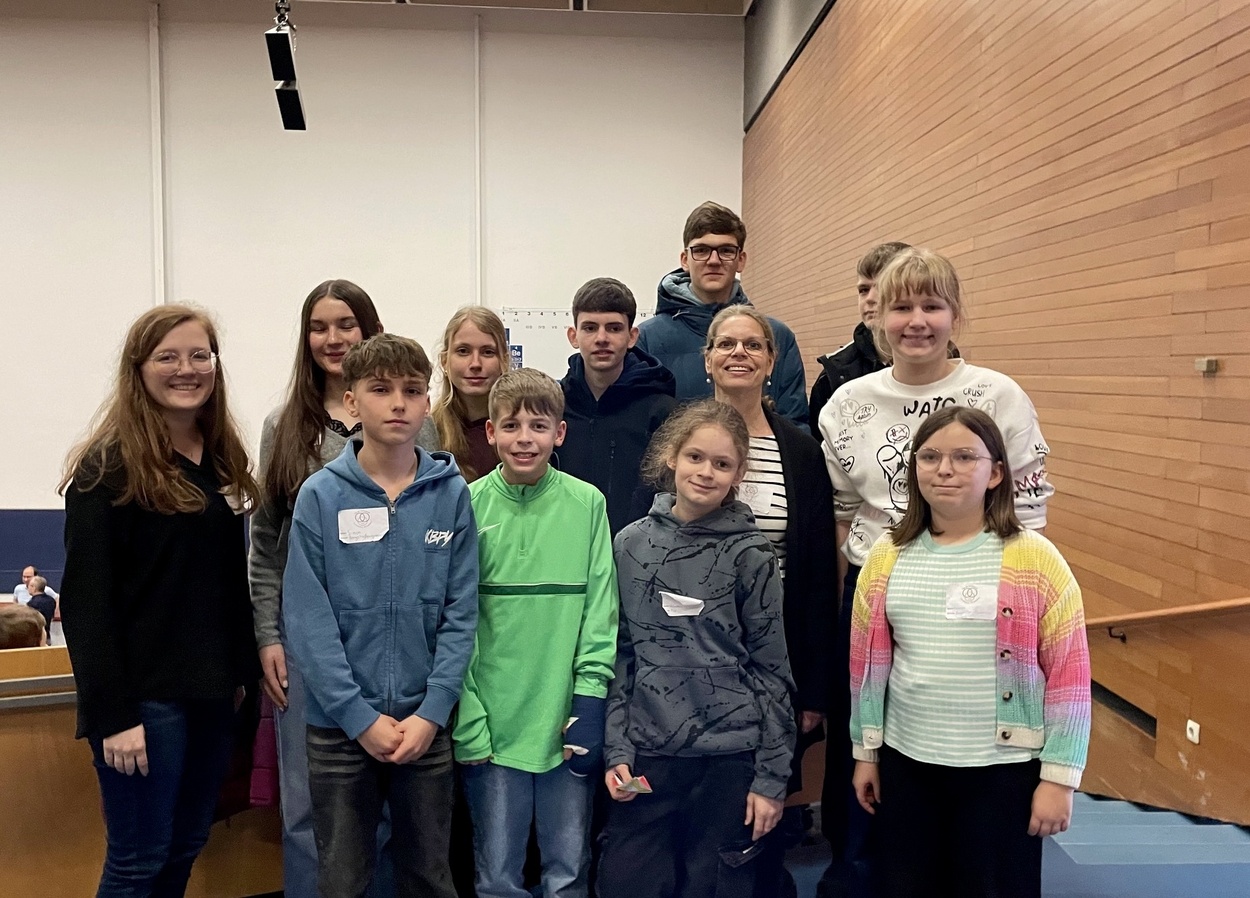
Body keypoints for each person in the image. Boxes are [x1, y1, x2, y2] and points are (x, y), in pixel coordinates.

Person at [817, 247, 1053, 898]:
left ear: (955, 315)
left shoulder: (998, 395)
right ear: (877, 316)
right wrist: (847, 603)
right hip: (879, 591)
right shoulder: (846, 403)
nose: (916, 321)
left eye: (932, 305)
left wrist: (1015, 607)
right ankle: (865, 875)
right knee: (876, 750)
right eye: (901, 306)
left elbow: (1029, 510)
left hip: (985, 596)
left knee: (980, 760)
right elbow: (843, 514)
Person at [59, 304, 260, 897]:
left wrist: (239, 674)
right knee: (138, 860)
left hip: (210, 695)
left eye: (200, 355)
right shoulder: (107, 468)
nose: (186, 369)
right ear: (138, 368)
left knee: (184, 845)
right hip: (144, 701)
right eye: (168, 357)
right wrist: (113, 717)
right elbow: (86, 604)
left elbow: (224, 582)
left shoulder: (218, 457)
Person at [849, 406, 1090, 898]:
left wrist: (1060, 779)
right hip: (908, 763)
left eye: (964, 457)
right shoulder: (886, 555)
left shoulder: (1034, 558)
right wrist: (866, 752)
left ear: (995, 472)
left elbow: (1070, 674)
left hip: (1002, 771)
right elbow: (866, 668)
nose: (945, 469)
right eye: (930, 456)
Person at [250, 279, 438, 898]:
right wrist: (269, 633)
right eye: (319, 326)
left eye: (346, 324)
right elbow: (266, 542)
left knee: (388, 807)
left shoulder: (417, 424)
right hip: (310, 645)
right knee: (310, 806)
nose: (333, 338)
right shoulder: (284, 426)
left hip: (393, 642)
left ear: (369, 331)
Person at [282, 334, 479, 898]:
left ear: (428, 402)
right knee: (343, 878)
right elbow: (308, 617)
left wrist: (434, 710)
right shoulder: (320, 496)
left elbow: (461, 611)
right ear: (352, 402)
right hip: (340, 727)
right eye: (381, 390)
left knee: (429, 874)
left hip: (425, 724)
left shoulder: (451, 495)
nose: (398, 404)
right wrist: (356, 715)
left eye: (413, 391)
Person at [599, 399, 796, 898]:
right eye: (695, 457)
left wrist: (771, 780)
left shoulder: (752, 554)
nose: (706, 472)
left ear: (739, 474)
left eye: (722, 463)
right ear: (671, 456)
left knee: (713, 883)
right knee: (628, 881)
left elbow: (773, 671)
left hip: (729, 760)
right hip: (649, 755)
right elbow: (621, 654)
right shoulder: (630, 544)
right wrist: (617, 749)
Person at [454, 368, 618, 898]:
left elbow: (600, 612)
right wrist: (468, 714)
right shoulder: (466, 505)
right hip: (492, 726)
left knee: (568, 871)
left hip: (564, 721)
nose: (524, 438)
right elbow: (454, 623)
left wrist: (589, 701)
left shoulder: (588, 504)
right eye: (511, 426)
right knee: (496, 875)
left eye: (538, 426)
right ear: (490, 433)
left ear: (559, 433)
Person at [702, 306, 838, 896]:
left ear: (771, 361)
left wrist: (813, 687)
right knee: (706, 808)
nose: (739, 353)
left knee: (767, 808)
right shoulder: (682, 439)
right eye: (726, 343)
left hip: (776, 656)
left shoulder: (802, 453)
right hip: (697, 655)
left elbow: (816, 576)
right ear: (707, 359)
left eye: (752, 345)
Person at [636, 201, 808, 425]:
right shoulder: (646, 340)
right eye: (701, 250)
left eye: (726, 250)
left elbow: (795, 426)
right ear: (685, 260)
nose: (714, 261)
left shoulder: (779, 336)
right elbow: (637, 428)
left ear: (741, 260)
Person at [560, 277, 677, 534]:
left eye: (614, 328)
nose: (601, 338)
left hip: (637, 548)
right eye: (590, 328)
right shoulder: (555, 405)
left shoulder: (662, 412)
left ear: (632, 336)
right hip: (565, 544)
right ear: (573, 336)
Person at [806, 242, 910, 439]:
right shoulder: (834, 374)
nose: (869, 298)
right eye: (863, 289)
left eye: (881, 287)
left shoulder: (946, 363)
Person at [432, 306, 513, 483]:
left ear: (504, 361)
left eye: (487, 352)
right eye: (463, 351)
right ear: (444, 361)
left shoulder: (521, 430)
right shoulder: (428, 432)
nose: (475, 364)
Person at [26, 576, 56, 642]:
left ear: (33, 587)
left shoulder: (31, 604)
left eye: (29, 586)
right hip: (47, 635)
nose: (27, 588)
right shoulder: (51, 600)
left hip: (35, 638)